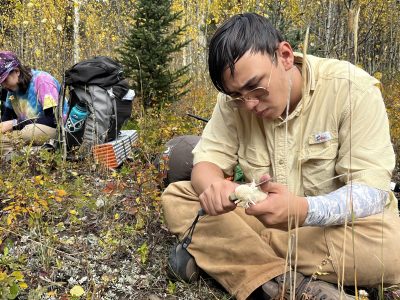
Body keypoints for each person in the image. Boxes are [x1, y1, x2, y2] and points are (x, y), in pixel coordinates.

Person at [161, 13, 400, 300]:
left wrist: (302, 210)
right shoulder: (233, 101)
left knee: (392, 249)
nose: (249, 103)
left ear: (285, 55)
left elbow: (371, 192)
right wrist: (215, 185)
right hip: (261, 219)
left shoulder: (352, 89)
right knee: (179, 196)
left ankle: (233, 253)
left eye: (256, 87)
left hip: (329, 231)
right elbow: (207, 161)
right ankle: (294, 286)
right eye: (237, 95)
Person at [0, 51, 61, 158]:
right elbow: (5, 120)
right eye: (1, 82)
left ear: (17, 71)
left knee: (28, 132)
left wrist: (14, 124)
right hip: (25, 131)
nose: (3, 85)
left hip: (56, 130)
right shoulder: (11, 90)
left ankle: (22, 154)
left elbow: (53, 119)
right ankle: (25, 155)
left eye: (5, 80)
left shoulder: (42, 81)